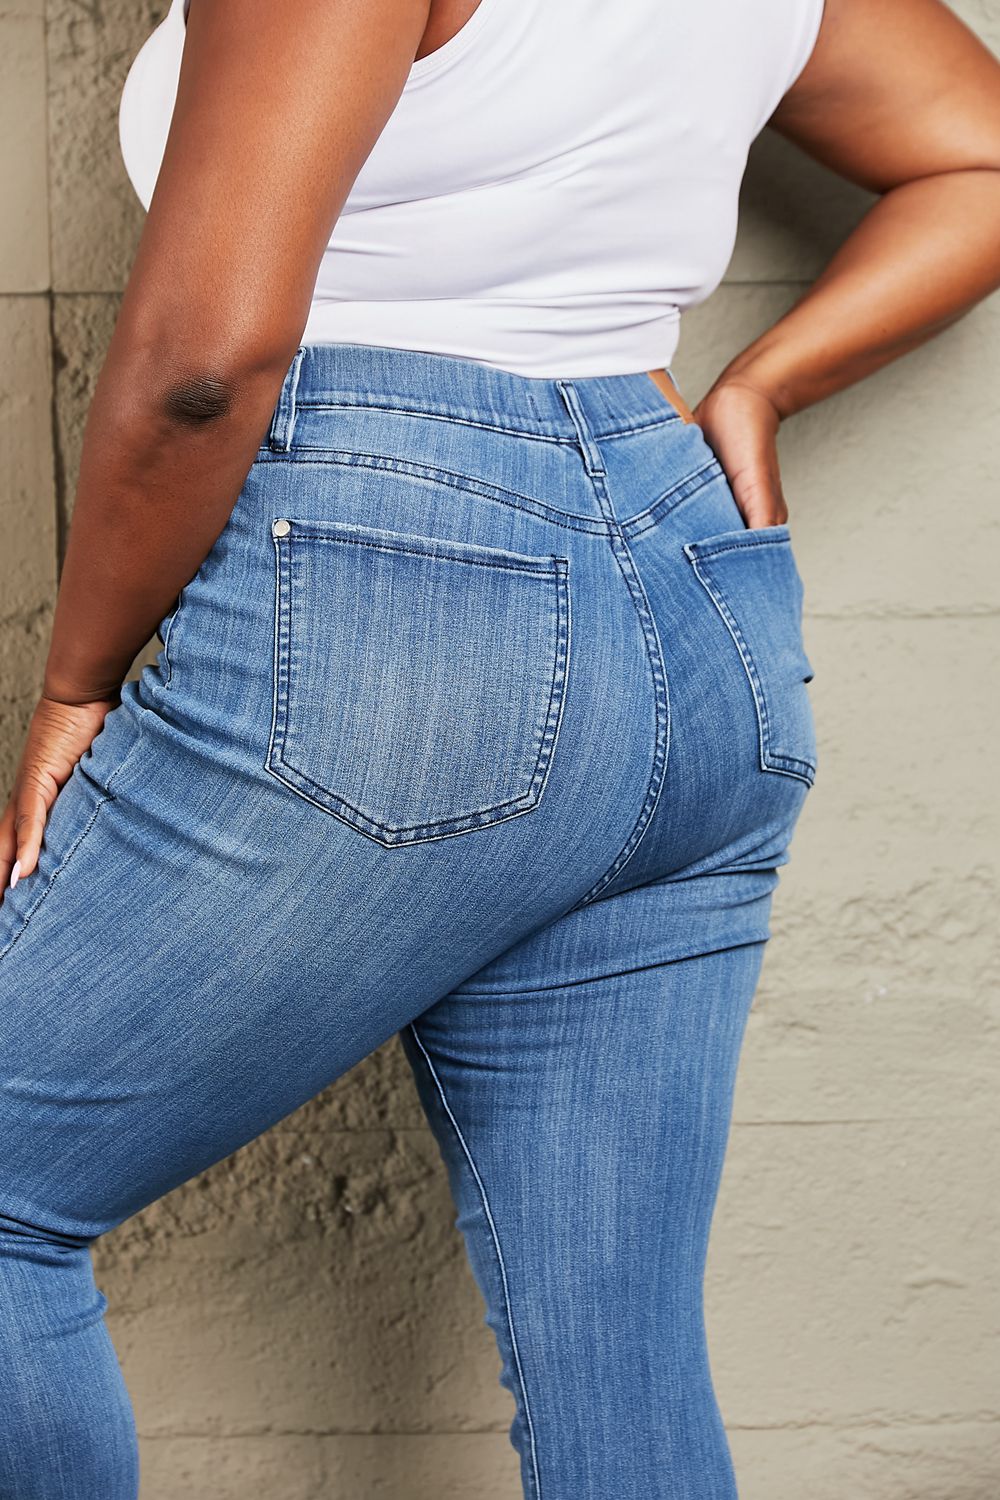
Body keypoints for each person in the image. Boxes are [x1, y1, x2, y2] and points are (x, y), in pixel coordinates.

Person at [1, 0, 998, 1495]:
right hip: (697, 603)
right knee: (620, 1349)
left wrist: (75, 680)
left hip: (401, 607)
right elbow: (977, 155)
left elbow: (206, 364)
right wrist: (761, 383)